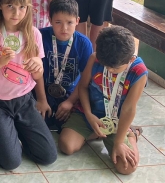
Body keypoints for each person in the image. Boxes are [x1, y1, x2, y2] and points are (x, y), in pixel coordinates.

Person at [0, 0, 57, 171]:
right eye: (10, 6)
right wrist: (0, 62)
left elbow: (37, 74)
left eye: (22, 7)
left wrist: (38, 69)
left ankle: (16, 131)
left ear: (28, 8)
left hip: (25, 100)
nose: (16, 13)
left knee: (48, 156)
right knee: (10, 162)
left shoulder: (34, 34)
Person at [59, 26, 146, 175]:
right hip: (89, 113)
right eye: (106, 66)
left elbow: (129, 109)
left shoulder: (139, 72)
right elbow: (84, 87)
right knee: (67, 146)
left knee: (127, 168)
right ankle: (97, 132)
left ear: (131, 59)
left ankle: (130, 133)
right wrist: (88, 114)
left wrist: (119, 142)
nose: (109, 70)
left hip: (117, 121)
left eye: (115, 69)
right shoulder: (95, 58)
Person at [38, 0, 93, 130]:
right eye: (58, 22)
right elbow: (35, 72)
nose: (64, 28)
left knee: (70, 126)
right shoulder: (40, 36)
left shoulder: (84, 44)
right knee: (37, 122)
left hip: (71, 94)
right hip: (42, 91)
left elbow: (86, 78)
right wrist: (42, 100)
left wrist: (70, 102)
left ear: (77, 21)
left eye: (70, 22)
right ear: (50, 20)